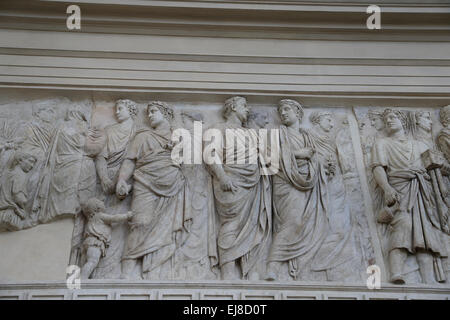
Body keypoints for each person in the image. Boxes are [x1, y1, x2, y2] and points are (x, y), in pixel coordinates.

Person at [371, 108, 447, 284]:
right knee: (402, 225)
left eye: (392, 117)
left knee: (425, 235)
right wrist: (387, 188)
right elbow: (378, 168)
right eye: (386, 118)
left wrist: (441, 194)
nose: (388, 121)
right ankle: (396, 272)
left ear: (403, 121)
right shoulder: (382, 143)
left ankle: (428, 281)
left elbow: (435, 170)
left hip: (422, 192)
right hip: (400, 190)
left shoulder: (421, 145)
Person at [117, 101, 190, 280]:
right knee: (139, 223)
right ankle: (126, 272)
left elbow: (187, 162)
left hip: (172, 184)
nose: (149, 115)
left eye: (154, 111)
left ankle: (155, 273)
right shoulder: (143, 136)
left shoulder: (177, 136)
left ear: (165, 113)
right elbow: (130, 160)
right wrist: (121, 180)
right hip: (144, 181)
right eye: (148, 112)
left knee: (167, 227)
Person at [207, 96, 271, 280]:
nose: (248, 109)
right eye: (244, 105)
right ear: (233, 106)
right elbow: (212, 155)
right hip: (230, 180)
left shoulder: (249, 133)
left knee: (251, 224)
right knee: (231, 223)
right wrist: (223, 176)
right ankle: (227, 272)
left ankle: (250, 270)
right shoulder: (218, 129)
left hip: (253, 182)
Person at [266, 99, 329, 281]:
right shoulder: (276, 133)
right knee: (291, 222)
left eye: (287, 109)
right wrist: (297, 154)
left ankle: (301, 266)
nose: (283, 113)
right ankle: (273, 264)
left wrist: (324, 168)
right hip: (284, 183)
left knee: (305, 223)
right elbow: (267, 156)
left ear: (298, 113)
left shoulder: (307, 137)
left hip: (307, 184)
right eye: (280, 111)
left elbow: (315, 160)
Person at [80, 198, 133, 279]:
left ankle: (84, 278)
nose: (104, 204)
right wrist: (127, 216)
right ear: (97, 208)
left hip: (88, 243)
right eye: (101, 203)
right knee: (92, 261)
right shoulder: (99, 215)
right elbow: (113, 218)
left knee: (88, 262)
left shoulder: (91, 219)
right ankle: (82, 279)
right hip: (95, 243)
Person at [0, 151, 36, 231]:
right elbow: (18, 197)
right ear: (20, 160)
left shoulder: (7, 173)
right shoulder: (19, 175)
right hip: (11, 216)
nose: (32, 166)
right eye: (30, 161)